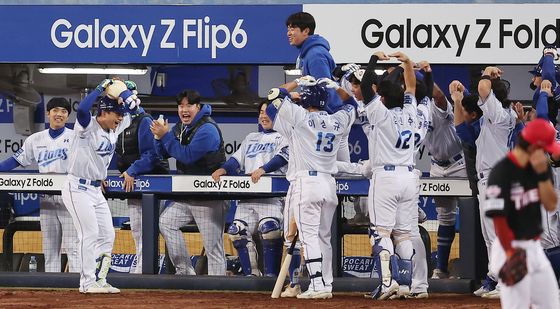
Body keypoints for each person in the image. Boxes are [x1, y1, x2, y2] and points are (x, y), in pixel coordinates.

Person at [266, 76, 356, 299]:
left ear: (305, 101)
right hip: (328, 183)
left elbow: (272, 98)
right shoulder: (337, 120)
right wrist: (336, 86)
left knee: (309, 238)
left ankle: (316, 285)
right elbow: (352, 105)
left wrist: (295, 84)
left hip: (307, 183)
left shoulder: (301, 117)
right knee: (324, 237)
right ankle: (326, 283)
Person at [61, 78, 138, 293]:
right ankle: (86, 283)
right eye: (117, 114)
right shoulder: (87, 126)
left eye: (121, 114)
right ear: (103, 113)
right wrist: (99, 89)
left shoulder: (116, 125)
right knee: (89, 234)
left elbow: (134, 111)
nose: (120, 118)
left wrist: (127, 94)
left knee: (107, 234)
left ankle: (100, 280)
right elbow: (84, 109)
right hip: (77, 187)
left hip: (96, 190)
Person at [360, 51, 418, 300]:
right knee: (404, 234)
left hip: (386, 176)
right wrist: (406, 63)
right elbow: (412, 87)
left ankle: (386, 284)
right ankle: (404, 286)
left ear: (382, 98)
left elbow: (364, 85)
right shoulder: (410, 111)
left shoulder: (380, 113)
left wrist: (373, 59)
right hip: (408, 176)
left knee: (382, 233)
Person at [484, 118, 560, 309]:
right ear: (535, 145)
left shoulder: (541, 167)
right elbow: (499, 220)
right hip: (509, 246)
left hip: (535, 248)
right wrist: (511, 253)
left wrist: (542, 174)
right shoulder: (502, 172)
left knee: (551, 304)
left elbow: (551, 204)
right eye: (546, 147)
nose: (548, 152)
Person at [151, 89, 227, 276]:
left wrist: (166, 136)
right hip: (187, 197)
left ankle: (220, 287)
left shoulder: (208, 129)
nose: (184, 110)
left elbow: (188, 155)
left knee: (212, 248)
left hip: (209, 197)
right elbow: (162, 153)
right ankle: (185, 272)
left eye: (189, 106)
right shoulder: (182, 127)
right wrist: (158, 138)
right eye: (180, 106)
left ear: (198, 107)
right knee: (166, 222)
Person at [0, 97, 79, 273]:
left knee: (73, 247)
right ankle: (52, 288)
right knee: (50, 248)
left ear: (67, 116)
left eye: (64, 111)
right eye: (56, 110)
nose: (59, 114)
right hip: (46, 199)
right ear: (48, 113)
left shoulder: (75, 137)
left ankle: (76, 289)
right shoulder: (35, 139)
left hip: (70, 197)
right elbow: (15, 160)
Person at [211, 100, 288, 277]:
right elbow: (236, 160)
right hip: (247, 196)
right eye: (261, 112)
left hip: (272, 196)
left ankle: (272, 277)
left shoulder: (285, 136)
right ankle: (251, 276)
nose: (263, 115)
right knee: (236, 231)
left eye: (267, 112)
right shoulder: (251, 137)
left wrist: (263, 169)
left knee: (270, 229)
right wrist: (223, 169)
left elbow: (283, 157)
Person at [115, 80, 170, 274]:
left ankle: (146, 270)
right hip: (133, 182)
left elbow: (152, 155)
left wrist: (132, 170)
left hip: (153, 182)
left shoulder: (143, 119)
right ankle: (141, 266)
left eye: (126, 96)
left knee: (149, 228)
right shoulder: (119, 120)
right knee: (137, 228)